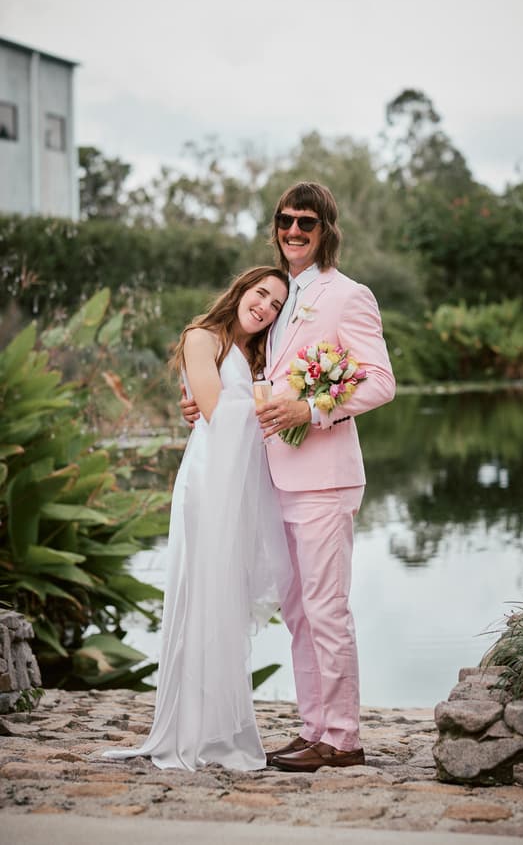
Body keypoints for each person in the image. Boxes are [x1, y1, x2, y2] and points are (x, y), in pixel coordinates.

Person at [181, 182, 396, 772]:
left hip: (324, 480)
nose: (294, 231)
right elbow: (249, 378)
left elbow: (379, 380)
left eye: (306, 222)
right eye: (285, 220)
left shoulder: (348, 295)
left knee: (327, 609)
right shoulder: (279, 300)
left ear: (326, 229)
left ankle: (344, 738)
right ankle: (313, 730)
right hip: (275, 481)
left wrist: (313, 409)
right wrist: (202, 403)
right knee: (299, 612)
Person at [104, 266, 291, 772]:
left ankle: (219, 728)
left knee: (226, 599)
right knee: (200, 592)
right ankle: (188, 729)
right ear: (241, 291)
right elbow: (212, 407)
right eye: (261, 294)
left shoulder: (259, 355)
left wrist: (273, 393)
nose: (266, 307)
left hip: (241, 483)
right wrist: (274, 401)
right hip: (209, 480)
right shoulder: (201, 337)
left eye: (277, 304)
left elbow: (238, 405)